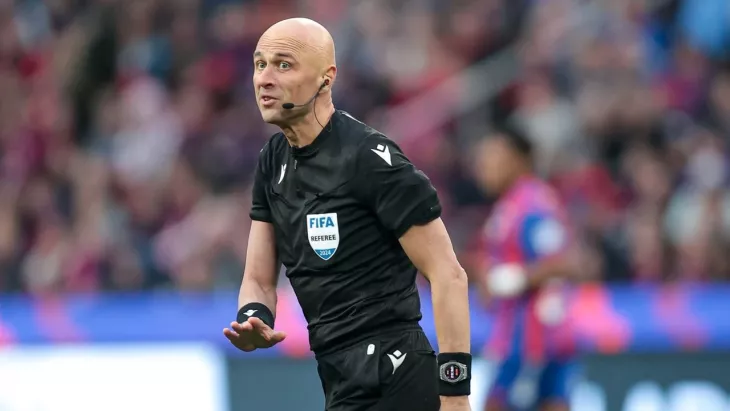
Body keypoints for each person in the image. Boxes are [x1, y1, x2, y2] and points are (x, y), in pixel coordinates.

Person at [222, 18, 473, 411]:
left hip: (395, 375)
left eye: (284, 65)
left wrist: (455, 395)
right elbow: (258, 279)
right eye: (260, 64)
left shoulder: (369, 158)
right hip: (338, 377)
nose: (264, 79)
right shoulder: (272, 162)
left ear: (326, 78)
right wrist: (254, 317)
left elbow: (448, 274)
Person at [470, 126, 579, 411]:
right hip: (519, 332)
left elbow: (563, 263)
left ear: (519, 160)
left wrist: (505, 281)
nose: (483, 168)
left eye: (492, 158)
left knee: (496, 403)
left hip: (533, 338)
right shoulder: (509, 205)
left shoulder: (533, 204)